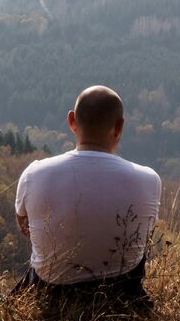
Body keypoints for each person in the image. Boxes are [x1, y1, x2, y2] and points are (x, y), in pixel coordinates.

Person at [13, 85, 162, 303]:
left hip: (52, 294)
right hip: (120, 296)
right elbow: (144, 233)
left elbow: (24, 224)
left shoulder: (34, 173)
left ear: (72, 121)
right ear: (119, 127)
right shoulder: (148, 179)